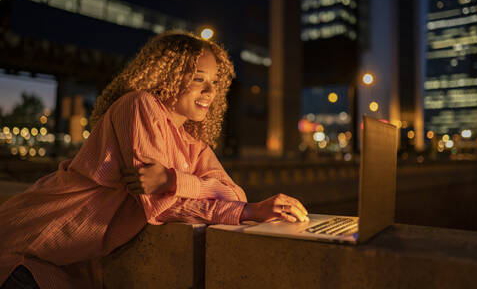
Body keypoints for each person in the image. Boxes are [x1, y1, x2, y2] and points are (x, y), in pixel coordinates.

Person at [0, 31, 308, 288]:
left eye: (216, 81)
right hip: (26, 248)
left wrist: (175, 180)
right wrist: (248, 210)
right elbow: (161, 205)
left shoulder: (194, 145)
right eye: (199, 78)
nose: (211, 90)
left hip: (66, 265)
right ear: (168, 75)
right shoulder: (138, 106)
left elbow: (234, 193)